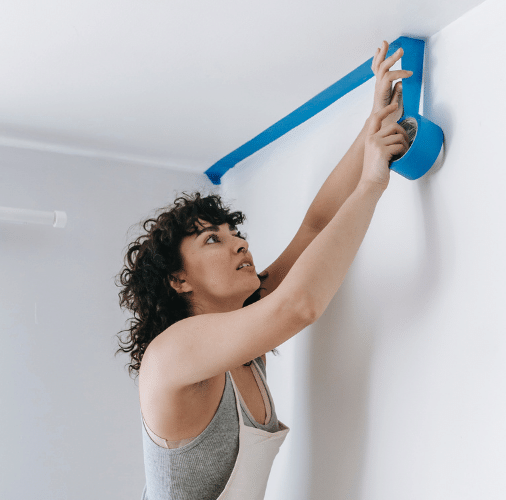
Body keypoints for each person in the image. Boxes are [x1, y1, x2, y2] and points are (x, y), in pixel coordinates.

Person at [116, 41, 412, 500]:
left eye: (232, 231)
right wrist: (372, 182)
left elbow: (314, 229)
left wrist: (372, 124)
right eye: (212, 239)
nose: (238, 241)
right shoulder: (172, 355)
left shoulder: (241, 335)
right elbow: (299, 305)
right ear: (179, 279)